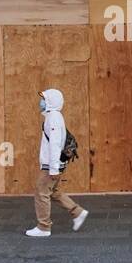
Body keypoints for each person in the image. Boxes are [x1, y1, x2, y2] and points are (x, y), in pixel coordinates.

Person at [25, 88, 88, 238]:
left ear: (51, 102)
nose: (41, 102)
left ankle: (43, 227)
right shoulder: (55, 116)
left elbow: (54, 144)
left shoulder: (52, 117)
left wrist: (53, 168)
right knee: (52, 191)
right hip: (55, 163)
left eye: (44, 99)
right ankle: (77, 212)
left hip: (51, 165)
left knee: (41, 192)